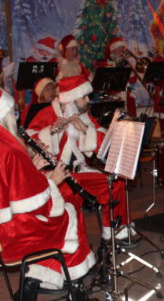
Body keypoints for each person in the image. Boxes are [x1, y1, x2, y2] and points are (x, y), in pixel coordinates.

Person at [0, 85, 98, 301]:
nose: (16, 117)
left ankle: (28, 291)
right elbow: (37, 202)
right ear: (1, 117)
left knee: (59, 221)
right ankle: (75, 290)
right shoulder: (8, 151)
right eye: (12, 113)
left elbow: (2, 189)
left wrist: (31, 170)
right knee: (68, 215)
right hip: (8, 238)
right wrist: (52, 180)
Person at [26, 75, 134, 242]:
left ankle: (115, 230)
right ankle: (75, 243)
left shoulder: (84, 116)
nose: (88, 100)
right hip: (57, 174)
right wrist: (50, 132)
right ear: (71, 99)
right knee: (69, 194)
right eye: (84, 97)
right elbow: (30, 146)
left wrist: (86, 130)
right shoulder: (46, 114)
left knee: (115, 184)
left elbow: (103, 147)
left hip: (80, 171)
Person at [95, 36, 138, 117]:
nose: (122, 50)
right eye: (119, 48)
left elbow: (133, 80)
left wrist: (130, 70)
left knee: (130, 119)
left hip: (127, 95)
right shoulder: (107, 63)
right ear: (113, 50)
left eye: (123, 48)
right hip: (114, 97)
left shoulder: (125, 62)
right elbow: (104, 83)